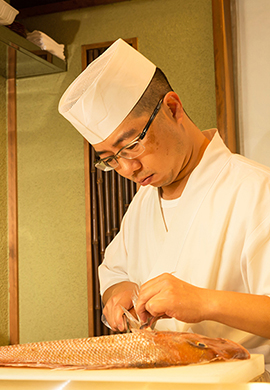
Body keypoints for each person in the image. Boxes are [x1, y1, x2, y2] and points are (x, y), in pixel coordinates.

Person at [58, 38, 270, 372]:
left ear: (172, 108)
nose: (127, 169)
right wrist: (118, 292)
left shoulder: (256, 190)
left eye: (132, 145)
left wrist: (204, 301)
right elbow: (115, 271)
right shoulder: (143, 202)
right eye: (110, 159)